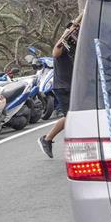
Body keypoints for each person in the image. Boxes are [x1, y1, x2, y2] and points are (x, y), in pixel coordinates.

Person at [39, 18, 81, 158]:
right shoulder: (63, 44)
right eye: (75, 30)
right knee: (71, 117)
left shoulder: (77, 45)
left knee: (77, 116)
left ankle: (49, 139)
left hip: (73, 85)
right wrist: (70, 29)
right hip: (63, 86)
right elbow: (55, 52)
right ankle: (47, 139)